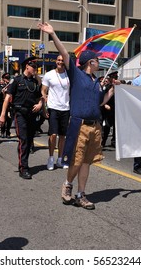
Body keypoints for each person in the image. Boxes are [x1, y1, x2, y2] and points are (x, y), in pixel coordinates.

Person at [38, 22, 115, 210]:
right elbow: (65, 54)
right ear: (90, 62)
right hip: (79, 124)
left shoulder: (96, 81)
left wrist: (111, 91)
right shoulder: (77, 74)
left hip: (94, 125)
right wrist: (52, 34)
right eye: (97, 60)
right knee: (77, 160)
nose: (99, 62)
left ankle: (81, 194)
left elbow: (99, 103)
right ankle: (68, 185)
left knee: (87, 162)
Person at [0, 56, 43, 179]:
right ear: (27, 67)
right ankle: (24, 168)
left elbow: (40, 97)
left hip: (32, 114)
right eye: (33, 67)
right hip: (20, 114)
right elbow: (7, 98)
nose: (35, 69)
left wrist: (40, 104)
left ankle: (23, 163)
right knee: (23, 140)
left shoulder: (34, 82)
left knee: (28, 142)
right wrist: (3, 115)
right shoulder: (17, 80)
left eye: (36, 67)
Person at [41, 55, 70, 170]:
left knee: (63, 136)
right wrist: (45, 102)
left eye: (62, 60)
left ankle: (60, 159)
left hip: (66, 108)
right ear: (55, 61)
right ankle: (51, 158)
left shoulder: (69, 75)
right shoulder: (49, 75)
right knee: (53, 134)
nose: (60, 62)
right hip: (53, 108)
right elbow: (43, 90)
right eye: (58, 60)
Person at [101, 71, 117, 148]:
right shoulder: (107, 87)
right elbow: (103, 98)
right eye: (113, 77)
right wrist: (105, 104)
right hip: (108, 111)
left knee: (116, 128)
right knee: (107, 126)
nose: (114, 79)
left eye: (115, 77)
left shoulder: (118, 87)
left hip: (116, 110)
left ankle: (114, 142)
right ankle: (103, 142)